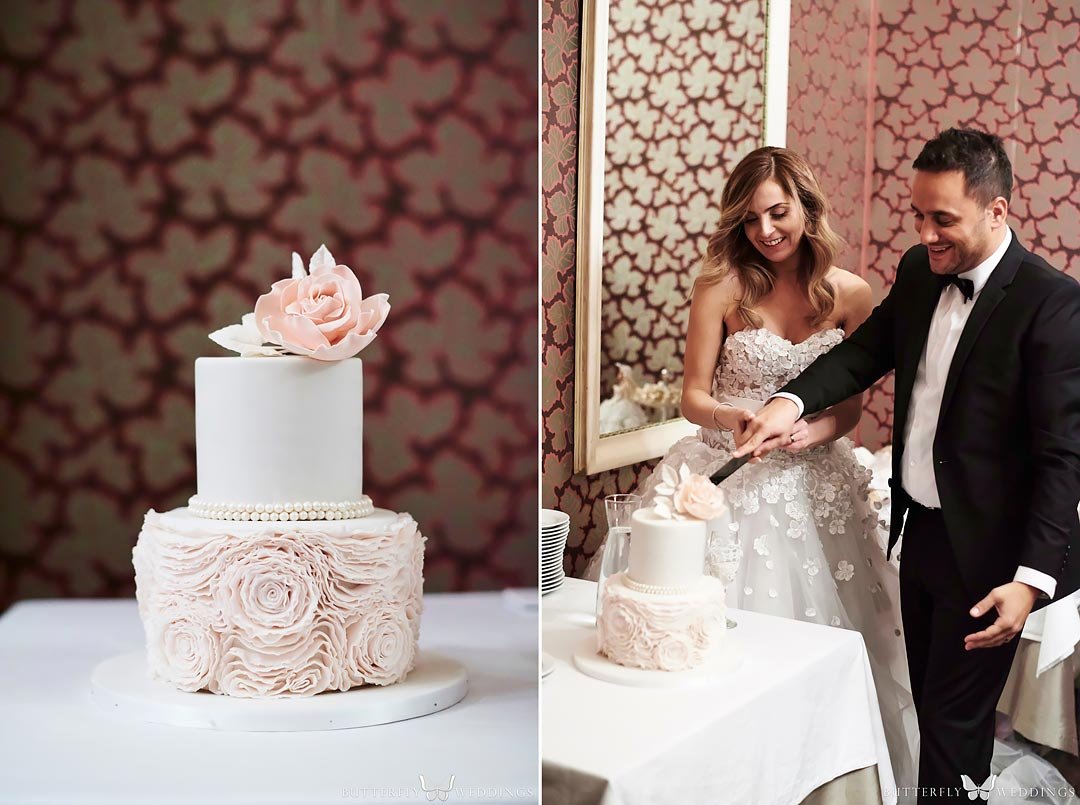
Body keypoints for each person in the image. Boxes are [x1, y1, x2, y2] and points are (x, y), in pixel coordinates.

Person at [734, 128, 1080, 802]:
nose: (924, 233)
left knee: (951, 728)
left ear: (997, 211)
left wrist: (1030, 581)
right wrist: (787, 401)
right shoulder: (921, 271)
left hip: (991, 557)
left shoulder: (1053, 304)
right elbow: (863, 353)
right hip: (919, 534)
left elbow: (1063, 458)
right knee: (932, 711)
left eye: (942, 218)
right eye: (918, 215)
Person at [586, 146, 918, 791]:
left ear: (807, 209)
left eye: (778, 213)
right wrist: (730, 417)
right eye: (749, 219)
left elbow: (850, 406)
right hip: (726, 472)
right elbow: (692, 394)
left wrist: (811, 431)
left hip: (818, 481)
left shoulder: (851, 294)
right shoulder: (722, 287)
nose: (765, 230)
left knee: (829, 647)